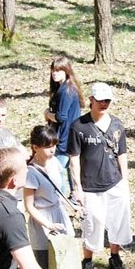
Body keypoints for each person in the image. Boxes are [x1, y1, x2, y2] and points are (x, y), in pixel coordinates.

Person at [68, 82, 132, 269]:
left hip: (114, 182)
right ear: (91, 100)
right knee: (92, 224)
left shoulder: (117, 124)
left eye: (107, 101)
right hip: (90, 186)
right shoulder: (79, 126)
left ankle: (115, 256)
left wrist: (125, 181)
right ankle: (87, 261)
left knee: (118, 222)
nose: (104, 104)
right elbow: (74, 158)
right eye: (100, 100)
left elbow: (122, 153)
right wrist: (77, 187)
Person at [24, 125, 75, 269]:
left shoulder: (55, 163)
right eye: (47, 147)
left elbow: (58, 192)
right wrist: (48, 225)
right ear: (35, 147)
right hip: (42, 220)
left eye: (53, 145)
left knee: (66, 260)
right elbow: (29, 206)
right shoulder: (31, 173)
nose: (52, 150)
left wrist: (71, 206)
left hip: (59, 214)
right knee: (45, 264)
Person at [43, 56, 85, 196]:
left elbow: (61, 117)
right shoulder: (67, 87)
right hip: (70, 136)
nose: (55, 73)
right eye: (53, 70)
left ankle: (62, 200)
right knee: (71, 169)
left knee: (57, 171)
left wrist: (48, 114)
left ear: (66, 71)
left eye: (59, 70)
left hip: (65, 138)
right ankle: (75, 197)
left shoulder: (66, 91)